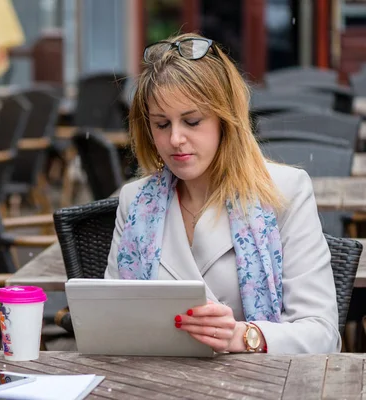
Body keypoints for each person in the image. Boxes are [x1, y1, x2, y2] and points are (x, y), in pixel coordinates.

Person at [104, 33, 341, 354]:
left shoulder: (285, 191)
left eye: (191, 121)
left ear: (225, 120)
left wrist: (243, 336)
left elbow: (322, 334)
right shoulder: (134, 201)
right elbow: (109, 321)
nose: (176, 138)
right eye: (161, 124)